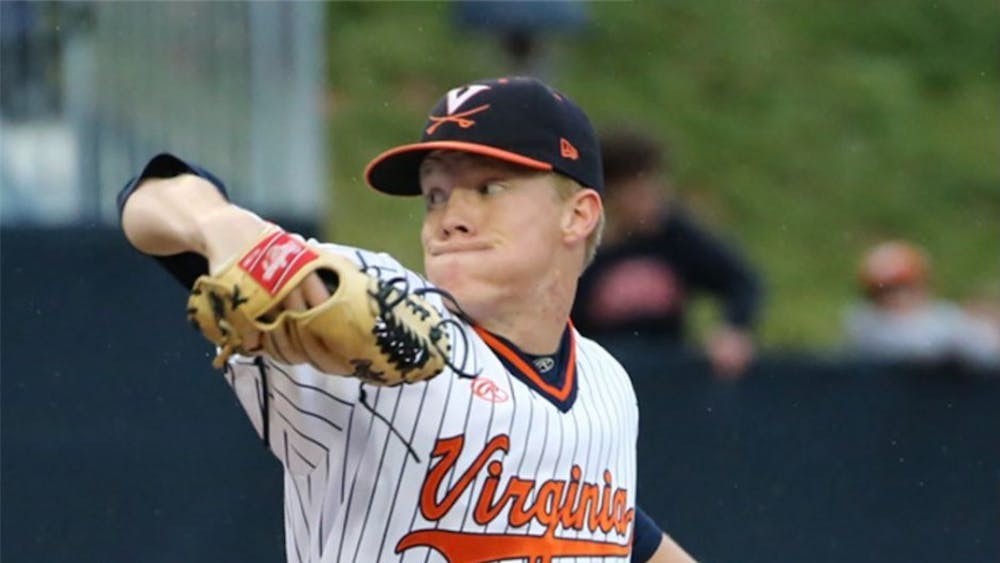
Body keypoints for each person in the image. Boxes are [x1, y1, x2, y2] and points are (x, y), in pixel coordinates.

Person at [118, 77, 696, 562]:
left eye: (488, 188)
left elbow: (617, 531)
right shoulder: (384, 313)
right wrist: (223, 228)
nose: (451, 218)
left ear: (579, 215)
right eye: (437, 195)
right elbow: (150, 199)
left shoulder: (605, 384)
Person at [572, 128, 764, 380]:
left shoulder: (675, 237)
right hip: (595, 376)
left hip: (666, 376)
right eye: (639, 192)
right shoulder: (576, 246)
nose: (652, 201)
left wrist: (734, 329)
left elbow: (741, 281)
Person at [843, 240, 1000, 375]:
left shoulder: (941, 316)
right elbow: (908, 343)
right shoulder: (868, 323)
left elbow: (984, 348)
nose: (896, 297)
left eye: (903, 287)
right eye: (884, 290)